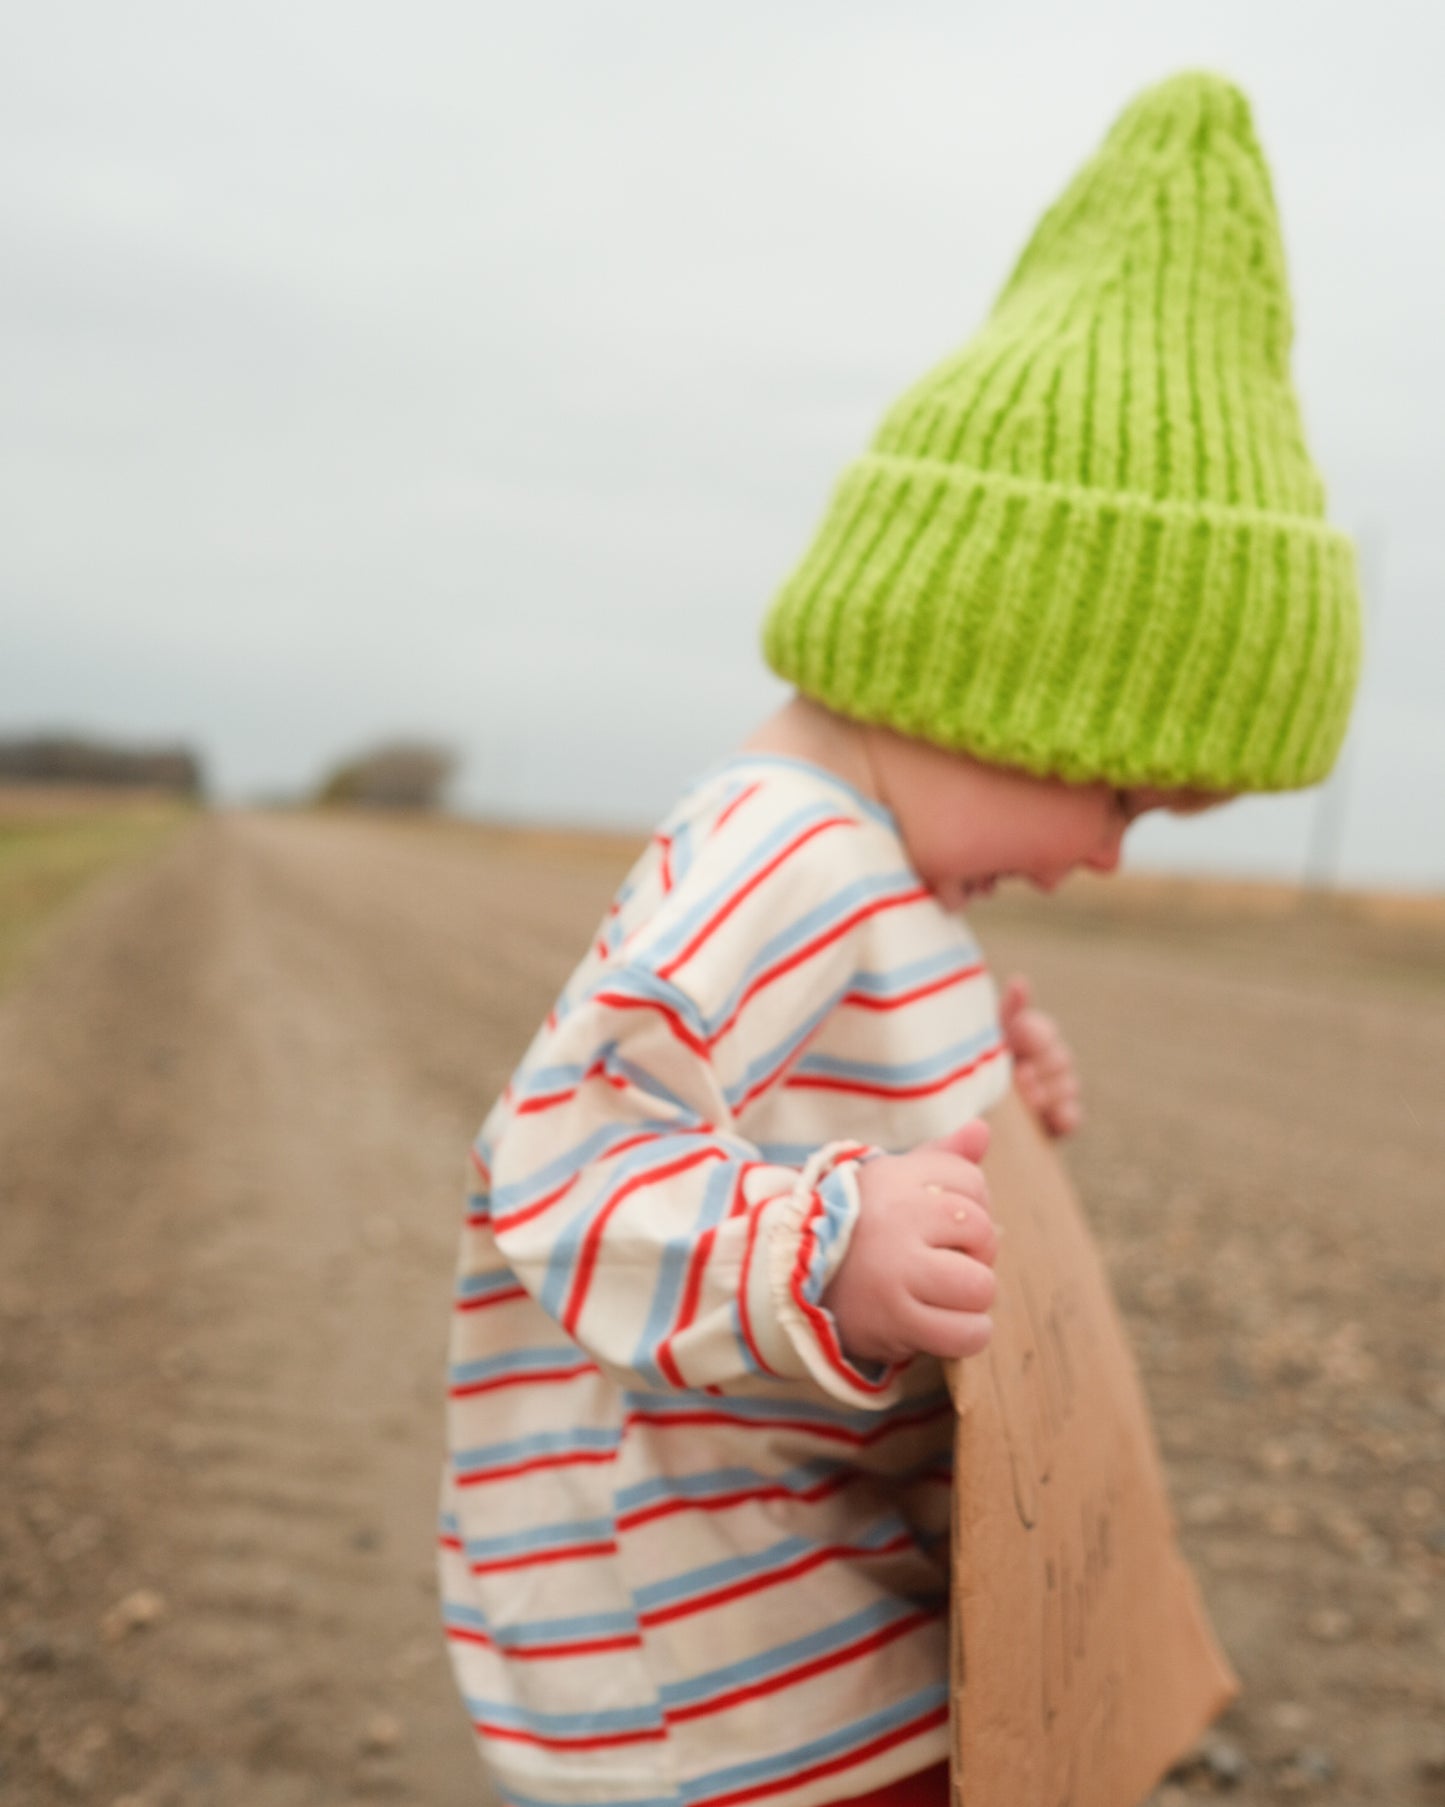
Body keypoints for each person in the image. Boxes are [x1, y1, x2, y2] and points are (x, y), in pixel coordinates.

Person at [438, 69, 1361, 1807]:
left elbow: (819, 1105)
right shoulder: (783, 853)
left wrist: (992, 1107)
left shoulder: (884, 869)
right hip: (726, 1659)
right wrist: (833, 1247)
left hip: (816, 1592)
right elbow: (555, 1160)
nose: (1107, 855)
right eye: (1123, 793)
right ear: (1001, 672)